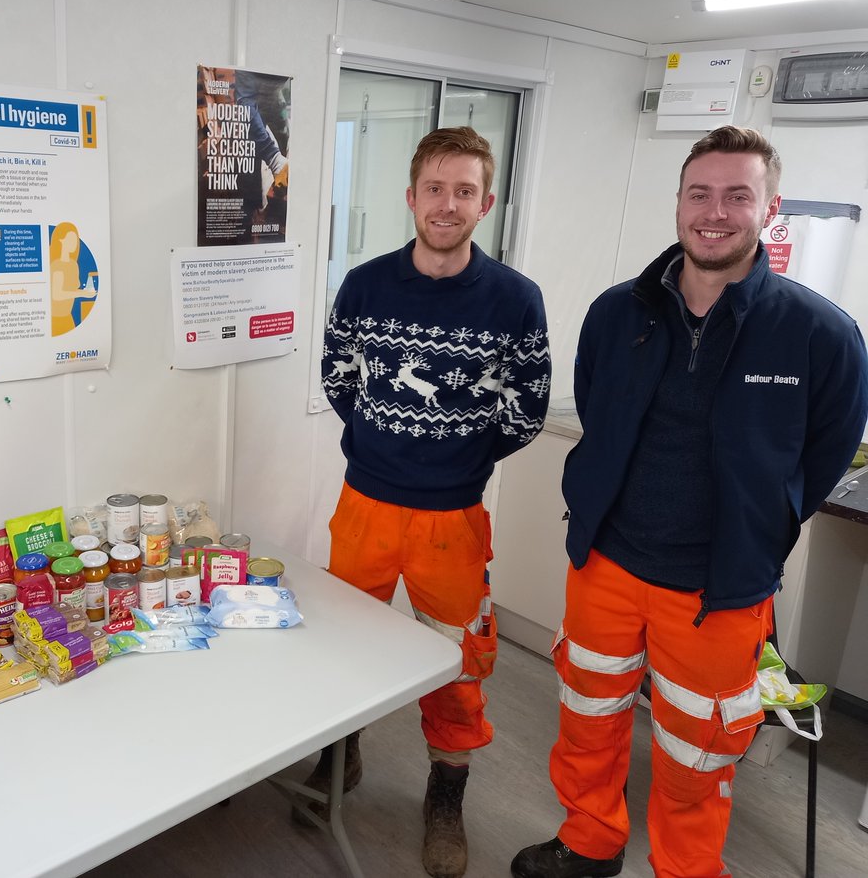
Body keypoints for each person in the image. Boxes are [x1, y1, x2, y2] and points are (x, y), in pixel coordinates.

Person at [510, 126, 868, 878]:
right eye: (700, 193)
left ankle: (687, 870)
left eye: (739, 195)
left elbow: (826, 453)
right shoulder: (619, 313)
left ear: (769, 210)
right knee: (588, 718)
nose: (716, 211)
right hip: (606, 564)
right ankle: (590, 841)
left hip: (719, 590)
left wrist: (764, 521)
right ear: (678, 203)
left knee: (697, 752)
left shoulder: (821, 335)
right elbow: (601, 414)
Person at [320, 126, 551, 878]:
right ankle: (340, 753)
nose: (446, 205)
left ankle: (445, 800)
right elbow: (337, 377)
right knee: (340, 644)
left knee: (458, 666)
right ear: (411, 196)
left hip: (454, 519)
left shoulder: (516, 300)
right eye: (433, 189)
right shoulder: (365, 284)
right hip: (365, 505)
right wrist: (386, 442)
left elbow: (526, 407)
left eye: (463, 191)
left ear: (486, 202)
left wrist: (459, 458)